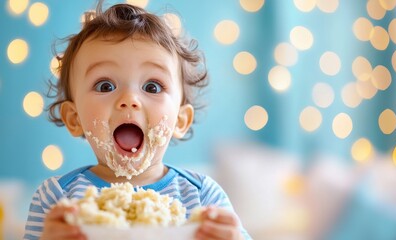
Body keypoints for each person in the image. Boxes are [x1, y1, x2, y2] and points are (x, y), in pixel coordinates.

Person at [24, 1, 251, 240]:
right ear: (74, 118)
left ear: (180, 121)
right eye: (105, 86)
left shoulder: (203, 198)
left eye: (152, 86)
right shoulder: (57, 199)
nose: (130, 99)